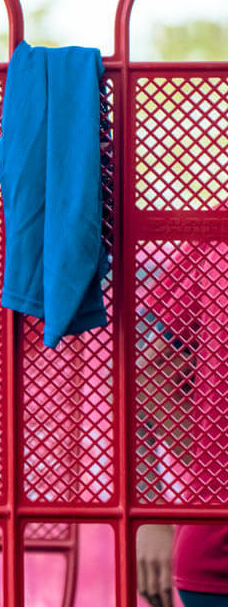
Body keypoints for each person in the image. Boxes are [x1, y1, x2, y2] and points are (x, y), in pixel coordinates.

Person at [136, 240, 228, 607]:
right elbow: (142, 379)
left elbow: (143, 378)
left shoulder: (214, 239)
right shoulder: (213, 239)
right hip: (214, 556)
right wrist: (151, 516)